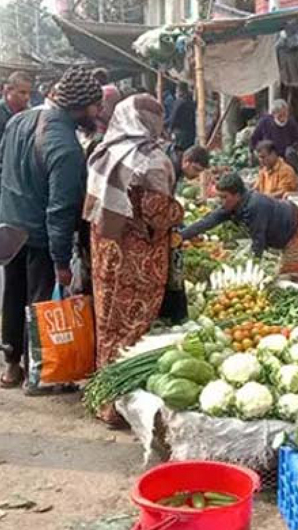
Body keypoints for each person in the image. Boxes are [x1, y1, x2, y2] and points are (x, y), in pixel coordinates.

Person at [0, 66, 102, 390]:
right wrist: (62, 261)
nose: (97, 113)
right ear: (79, 105)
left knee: (13, 295)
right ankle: (39, 373)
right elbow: (59, 209)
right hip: (38, 235)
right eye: (94, 106)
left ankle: (12, 367)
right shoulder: (65, 147)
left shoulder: (19, 120)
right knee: (40, 302)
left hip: (10, 229)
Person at [84, 95, 184, 386]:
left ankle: (101, 387)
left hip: (105, 249)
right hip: (138, 258)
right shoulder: (151, 159)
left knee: (107, 319)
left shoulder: (103, 150)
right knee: (132, 325)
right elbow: (157, 213)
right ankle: (118, 397)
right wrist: (179, 211)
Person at [182, 173, 298, 285]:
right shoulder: (232, 205)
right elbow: (207, 222)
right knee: (290, 270)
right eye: (220, 197)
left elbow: (258, 242)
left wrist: (251, 272)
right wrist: (180, 236)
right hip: (289, 220)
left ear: (237, 195)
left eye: (224, 197)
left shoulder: (254, 206)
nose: (221, 201)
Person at [0, 71, 33, 183]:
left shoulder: (28, 113)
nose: (27, 97)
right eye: (22, 93)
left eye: (29, 93)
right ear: (8, 90)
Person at [249, 99, 298, 173]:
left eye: (285, 114)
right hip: (270, 154)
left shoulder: (291, 123)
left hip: (285, 154)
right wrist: (252, 151)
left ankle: (293, 175)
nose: (283, 118)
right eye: (280, 115)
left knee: (290, 152)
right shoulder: (264, 122)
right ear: (274, 114)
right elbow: (254, 138)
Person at [168, 83, 197, 154]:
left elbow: (173, 117)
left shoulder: (179, 102)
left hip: (180, 132)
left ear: (179, 91)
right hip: (191, 132)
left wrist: (169, 129)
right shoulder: (191, 102)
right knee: (188, 152)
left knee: (179, 152)